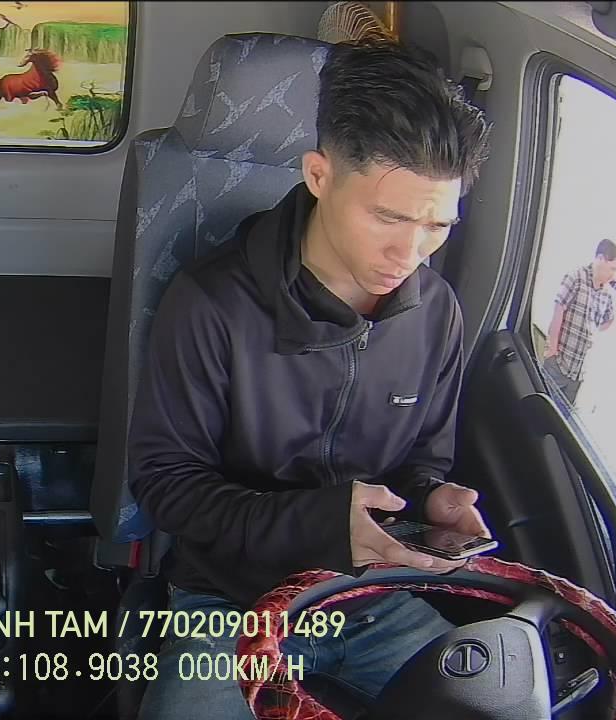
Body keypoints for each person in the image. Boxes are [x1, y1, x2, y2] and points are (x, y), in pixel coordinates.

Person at [130, 39, 494, 719]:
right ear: (319, 175)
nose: (409, 252)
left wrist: (432, 502)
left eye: (435, 225)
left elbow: (421, 462)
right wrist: (322, 524)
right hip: (229, 599)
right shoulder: (213, 304)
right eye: (387, 217)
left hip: (374, 597)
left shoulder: (437, 312)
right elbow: (167, 485)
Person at [543, 239, 616, 405]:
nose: (613, 274)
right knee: (543, 407)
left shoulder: (606, 294)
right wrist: (552, 350)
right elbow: (558, 309)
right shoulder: (576, 277)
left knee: (563, 415)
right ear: (600, 259)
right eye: (612, 269)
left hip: (578, 373)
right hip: (559, 363)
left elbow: (607, 321)